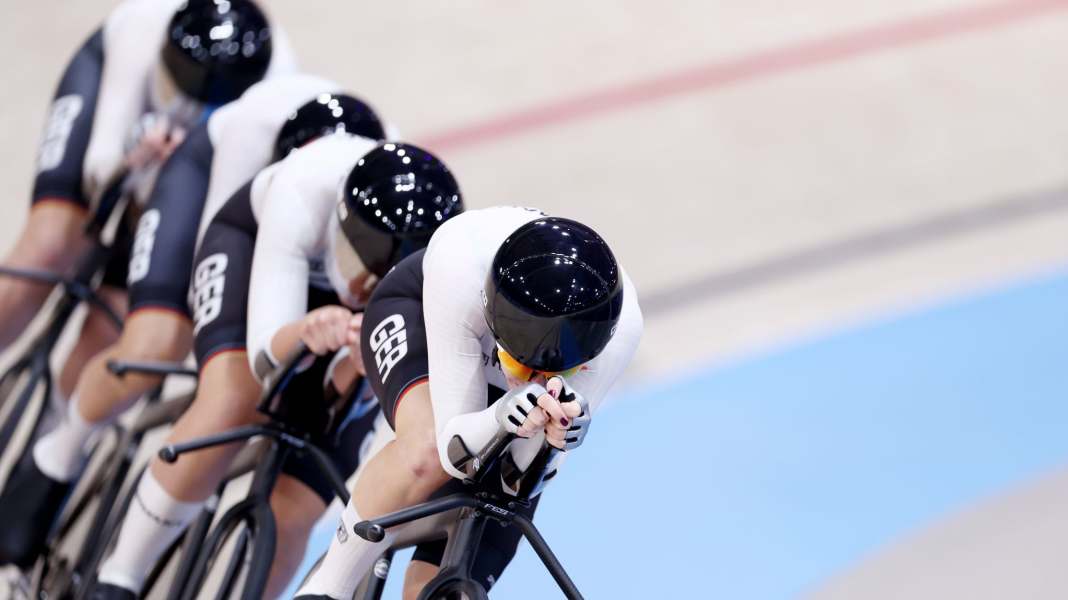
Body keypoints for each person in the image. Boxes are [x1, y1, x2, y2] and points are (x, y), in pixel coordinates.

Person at [85, 137, 463, 599]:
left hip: (367, 318)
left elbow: (387, 388)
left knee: (298, 508)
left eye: (377, 281)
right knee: (232, 400)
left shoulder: (445, 276)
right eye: (358, 266)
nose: (360, 288)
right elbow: (266, 353)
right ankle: (118, 577)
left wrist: (351, 365)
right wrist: (305, 330)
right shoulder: (302, 194)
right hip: (257, 254)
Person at [294, 207, 643, 599]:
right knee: (423, 451)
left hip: (513, 347)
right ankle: (329, 587)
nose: (523, 374)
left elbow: (518, 479)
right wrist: (499, 415)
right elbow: (450, 447)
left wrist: (555, 436)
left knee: (500, 504)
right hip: (420, 315)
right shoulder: (460, 264)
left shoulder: (619, 329)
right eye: (517, 362)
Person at [0, 0, 293, 395]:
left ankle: (54, 430)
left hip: (199, 155)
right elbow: (99, 166)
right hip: (116, 99)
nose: (185, 107)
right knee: (49, 246)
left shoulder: (272, 92)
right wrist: (133, 159)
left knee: (118, 320)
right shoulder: (142, 26)